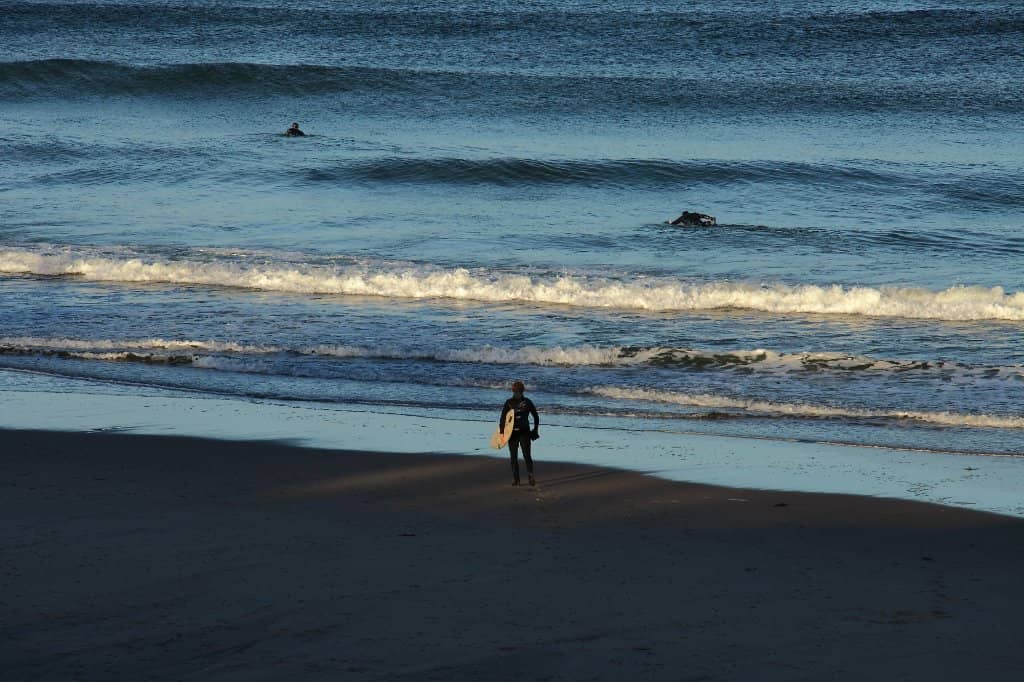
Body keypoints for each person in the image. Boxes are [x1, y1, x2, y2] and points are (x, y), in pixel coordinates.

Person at [499, 380, 539, 486]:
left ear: (514, 390)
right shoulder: (522, 402)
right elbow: (536, 417)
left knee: (518, 456)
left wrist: (502, 432)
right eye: (516, 391)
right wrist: (535, 429)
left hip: (518, 433)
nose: (516, 393)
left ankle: (520, 479)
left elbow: (502, 419)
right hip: (518, 433)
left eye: (516, 391)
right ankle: (525, 477)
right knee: (522, 456)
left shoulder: (512, 402)